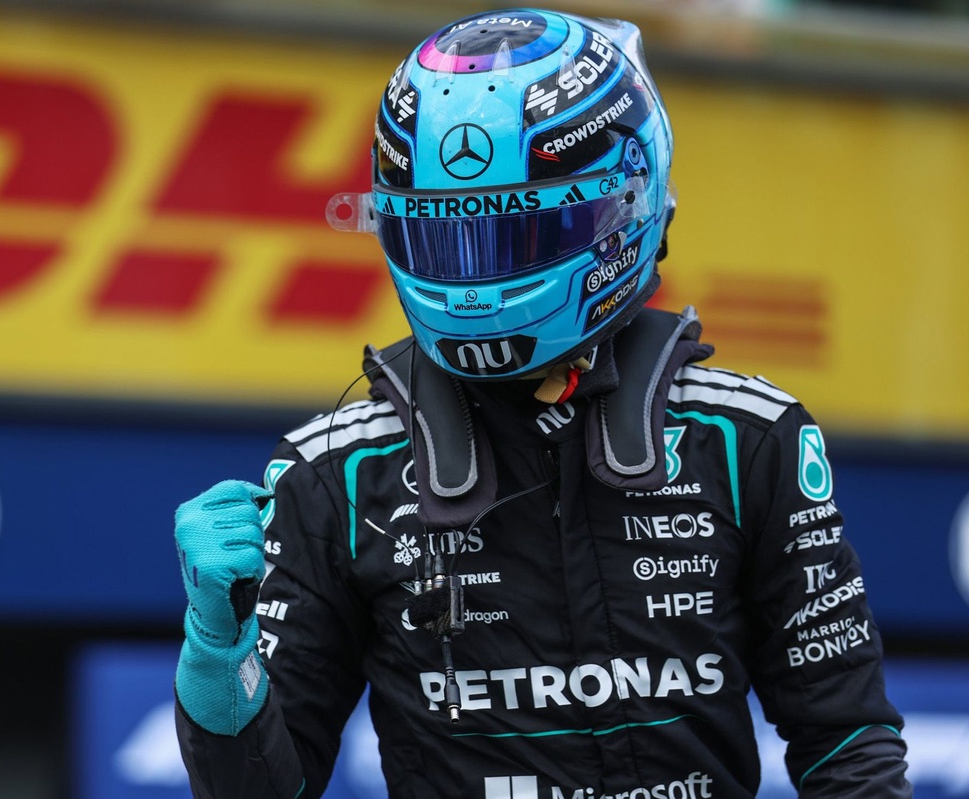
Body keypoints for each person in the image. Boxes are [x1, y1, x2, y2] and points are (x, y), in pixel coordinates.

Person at [172, 8, 912, 798]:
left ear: (627, 203)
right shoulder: (338, 476)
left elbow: (849, 746)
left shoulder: (745, 439)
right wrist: (219, 649)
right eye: (445, 240)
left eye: (514, 237)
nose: (476, 280)